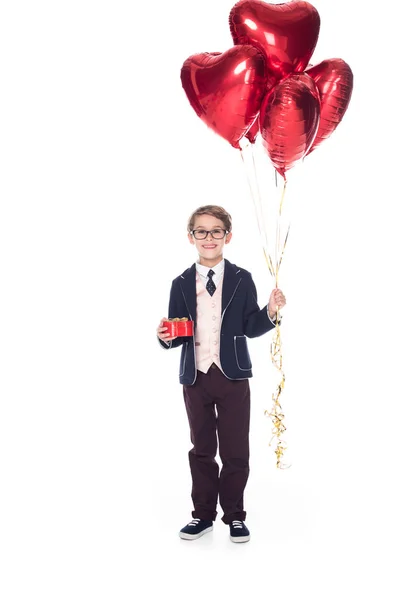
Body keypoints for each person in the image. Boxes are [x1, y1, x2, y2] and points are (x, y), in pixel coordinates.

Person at [157, 205, 286, 543]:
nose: (209, 237)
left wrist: (270, 312)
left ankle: (234, 516)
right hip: (195, 377)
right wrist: (165, 336)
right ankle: (202, 515)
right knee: (201, 448)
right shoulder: (180, 283)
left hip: (233, 375)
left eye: (216, 231)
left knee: (235, 449)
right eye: (202, 231)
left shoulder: (243, 279)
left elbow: (249, 326)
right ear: (191, 237)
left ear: (228, 236)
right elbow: (179, 330)